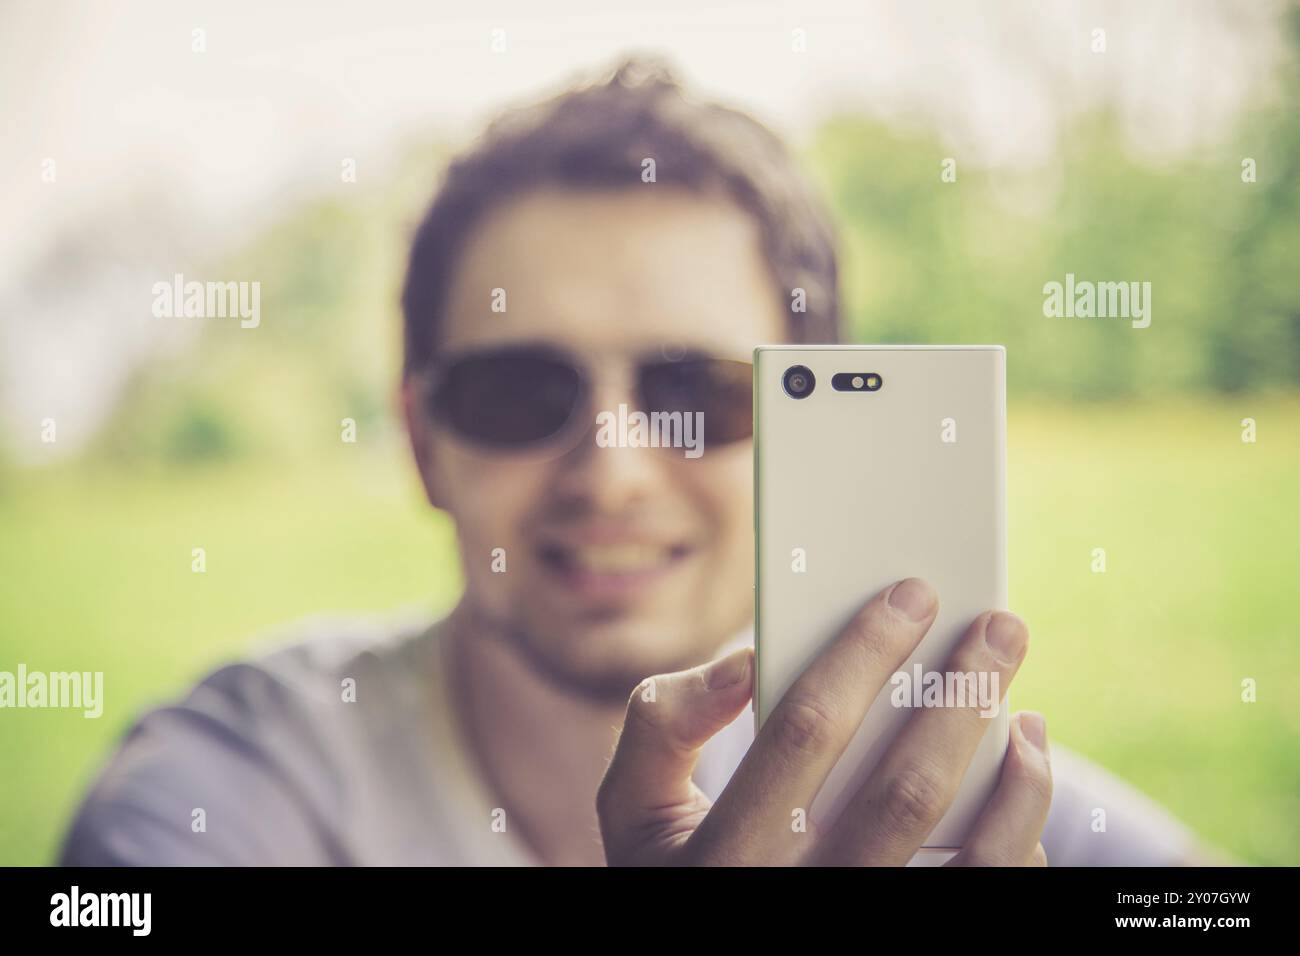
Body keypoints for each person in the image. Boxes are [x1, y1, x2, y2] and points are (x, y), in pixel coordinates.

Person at [61, 57, 1216, 867]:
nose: (611, 470)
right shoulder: (236, 786)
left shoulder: (954, 794)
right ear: (422, 440)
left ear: (811, 432)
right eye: (520, 391)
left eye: (693, 391)